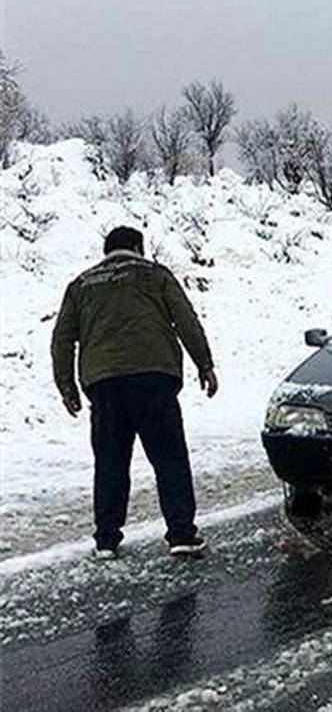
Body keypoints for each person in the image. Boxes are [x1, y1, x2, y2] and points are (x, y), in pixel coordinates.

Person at [51, 226, 218, 560]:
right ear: (137, 247)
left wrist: (66, 386)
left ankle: (106, 540)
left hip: (104, 384)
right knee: (169, 457)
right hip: (154, 379)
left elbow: (62, 339)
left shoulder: (81, 284)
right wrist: (205, 364)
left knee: (110, 462)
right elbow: (186, 320)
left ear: (107, 251)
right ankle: (182, 534)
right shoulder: (155, 274)